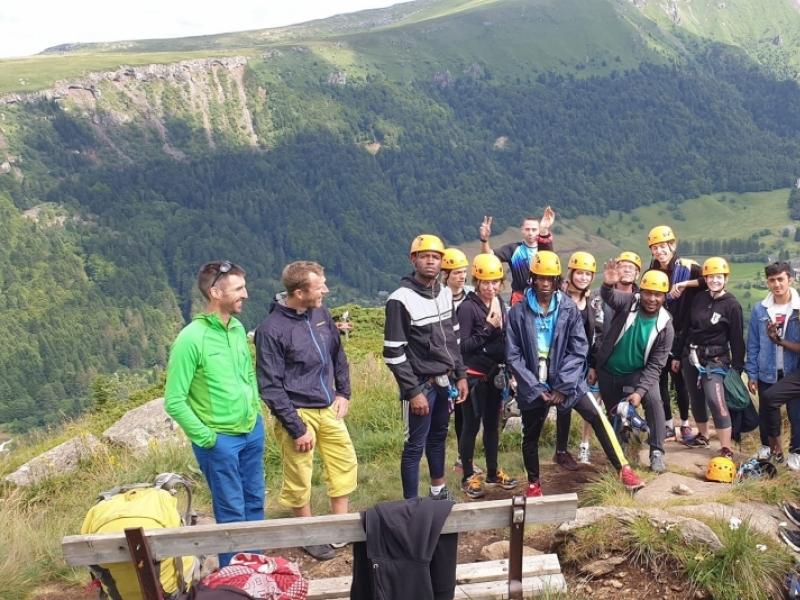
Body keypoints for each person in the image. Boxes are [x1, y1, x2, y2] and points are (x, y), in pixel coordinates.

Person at [506, 251, 645, 496]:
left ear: (558, 279)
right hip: (533, 383)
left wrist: (563, 386)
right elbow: (513, 355)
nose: (546, 283)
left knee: (597, 416)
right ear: (532, 278)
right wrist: (535, 388)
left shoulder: (568, 308)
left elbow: (578, 347)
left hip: (568, 380)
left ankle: (624, 469)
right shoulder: (517, 313)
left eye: (551, 278)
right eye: (541, 278)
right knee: (530, 435)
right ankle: (534, 484)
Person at [164, 260, 264, 568]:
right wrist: (208, 438)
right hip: (219, 440)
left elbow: (247, 376)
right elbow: (174, 400)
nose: (245, 294)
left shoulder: (235, 329)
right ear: (215, 292)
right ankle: (235, 578)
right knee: (231, 510)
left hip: (251, 432)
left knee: (255, 503)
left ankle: (258, 568)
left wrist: (257, 415)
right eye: (238, 289)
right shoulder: (191, 338)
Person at [255, 261, 357, 561]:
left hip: (329, 408)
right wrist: (295, 427)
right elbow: (270, 386)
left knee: (344, 463)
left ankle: (339, 529)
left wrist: (344, 392)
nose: (325, 290)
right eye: (319, 286)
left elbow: (338, 355)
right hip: (298, 412)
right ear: (299, 292)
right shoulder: (271, 330)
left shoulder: (321, 314)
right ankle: (307, 532)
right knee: (300, 475)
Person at [383, 234, 469, 500]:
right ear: (414, 260)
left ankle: (437, 490)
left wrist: (460, 374)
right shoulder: (401, 299)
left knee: (438, 436)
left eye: (436, 257)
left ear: (442, 262)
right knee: (414, 445)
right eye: (425, 256)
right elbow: (393, 352)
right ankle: (411, 504)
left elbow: (452, 338)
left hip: (444, 381)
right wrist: (413, 391)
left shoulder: (444, 293)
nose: (431, 261)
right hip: (421, 385)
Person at [596, 262, 674, 473]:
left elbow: (656, 365)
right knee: (614, 412)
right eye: (648, 293)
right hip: (608, 370)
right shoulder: (630, 301)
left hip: (637, 373)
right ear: (642, 292)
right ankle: (620, 446)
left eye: (658, 294)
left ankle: (657, 451)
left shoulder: (665, 325)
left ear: (664, 296)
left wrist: (639, 392)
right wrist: (607, 284)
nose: (652, 298)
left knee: (654, 400)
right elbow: (609, 297)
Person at [456, 253, 519, 499]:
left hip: (494, 375)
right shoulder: (467, 308)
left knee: (492, 426)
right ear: (476, 282)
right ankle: (468, 476)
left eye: (495, 282)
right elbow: (463, 346)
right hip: (474, 377)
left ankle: (492, 471)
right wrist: (488, 328)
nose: (490, 287)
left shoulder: (499, 303)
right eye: (485, 282)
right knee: (471, 427)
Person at [676, 257, 744, 458]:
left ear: (725, 278)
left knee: (715, 400)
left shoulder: (732, 305)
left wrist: (737, 370)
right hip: (692, 355)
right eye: (710, 277)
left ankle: (726, 448)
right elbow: (688, 327)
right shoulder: (699, 298)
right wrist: (678, 355)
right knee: (695, 399)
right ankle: (703, 435)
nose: (714, 280)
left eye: (719, 277)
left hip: (716, 360)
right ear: (705, 278)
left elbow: (737, 339)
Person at [581, 251, 642, 464]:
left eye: (631, 267)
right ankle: (595, 448)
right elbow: (594, 333)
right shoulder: (599, 298)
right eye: (622, 266)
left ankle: (628, 448)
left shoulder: (643, 299)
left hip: (631, 366)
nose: (626, 270)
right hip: (603, 364)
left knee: (629, 407)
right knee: (603, 409)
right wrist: (593, 365)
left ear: (637, 273)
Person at [647, 225, 701, 443]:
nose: (659, 252)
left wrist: (684, 284)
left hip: (683, 330)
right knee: (660, 379)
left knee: (680, 380)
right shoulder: (652, 271)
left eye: (663, 247)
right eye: (655, 248)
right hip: (660, 330)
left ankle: (685, 424)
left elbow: (710, 279)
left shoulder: (687, 267)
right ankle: (668, 424)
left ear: (673, 245)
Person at [745, 261, 800, 468]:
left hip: (793, 369)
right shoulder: (760, 309)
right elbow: (753, 343)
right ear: (767, 282)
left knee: (797, 414)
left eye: (780, 279)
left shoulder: (797, 309)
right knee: (767, 410)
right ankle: (769, 448)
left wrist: (780, 340)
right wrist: (751, 373)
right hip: (767, 369)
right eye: (772, 280)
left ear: (790, 279)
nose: (776, 284)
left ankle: (796, 453)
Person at [554, 252, 598, 470]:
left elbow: (590, 337)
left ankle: (563, 451)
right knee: (562, 407)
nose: (583, 277)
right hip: (558, 364)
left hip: (579, 364)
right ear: (571, 273)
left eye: (587, 274)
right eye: (579, 273)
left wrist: (591, 364)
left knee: (572, 407)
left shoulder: (587, 302)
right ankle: (560, 451)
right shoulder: (559, 298)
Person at [441, 247, 477, 474]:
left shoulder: (471, 296)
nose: (462, 277)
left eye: (464, 272)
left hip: (468, 364)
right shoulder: (439, 298)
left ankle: (462, 459)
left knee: (467, 416)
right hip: (447, 364)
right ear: (446, 275)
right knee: (448, 416)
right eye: (456, 273)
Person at [479, 207, 555, 305]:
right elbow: (487, 257)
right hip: (519, 299)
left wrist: (545, 229)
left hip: (542, 298)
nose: (530, 233)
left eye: (534, 229)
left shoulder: (544, 250)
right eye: (527, 229)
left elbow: (551, 263)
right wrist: (484, 240)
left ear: (538, 230)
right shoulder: (513, 249)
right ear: (522, 230)